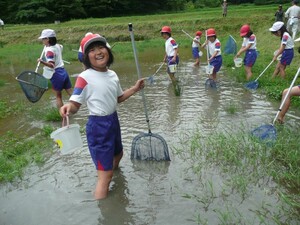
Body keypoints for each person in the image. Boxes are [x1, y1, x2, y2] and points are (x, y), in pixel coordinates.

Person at [59, 33, 145, 200]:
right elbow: (75, 103)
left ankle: (110, 170)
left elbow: (118, 99)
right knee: (105, 178)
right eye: (92, 50)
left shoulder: (112, 75)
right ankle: (104, 206)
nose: (98, 52)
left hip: (113, 120)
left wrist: (134, 89)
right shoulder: (85, 77)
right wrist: (67, 107)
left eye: (101, 47)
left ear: (108, 51)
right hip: (98, 127)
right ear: (86, 57)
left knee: (118, 154)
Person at [37, 29, 72, 108]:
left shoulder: (49, 51)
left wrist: (42, 61)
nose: (42, 41)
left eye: (43, 39)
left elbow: (51, 65)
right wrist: (47, 45)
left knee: (58, 96)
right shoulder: (58, 46)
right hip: (63, 72)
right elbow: (60, 46)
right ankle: (81, 106)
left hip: (56, 74)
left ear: (48, 39)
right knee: (71, 93)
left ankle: (61, 114)